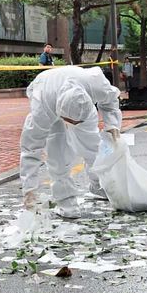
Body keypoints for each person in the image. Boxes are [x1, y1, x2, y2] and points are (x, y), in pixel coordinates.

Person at [20, 66, 122, 219]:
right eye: (70, 121)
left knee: (93, 146)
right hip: (48, 95)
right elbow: (30, 150)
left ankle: (99, 185)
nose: (72, 125)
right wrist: (29, 191)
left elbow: (111, 100)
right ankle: (67, 203)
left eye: (76, 122)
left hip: (78, 102)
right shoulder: (42, 108)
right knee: (57, 154)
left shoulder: (96, 84)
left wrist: (112, 125)